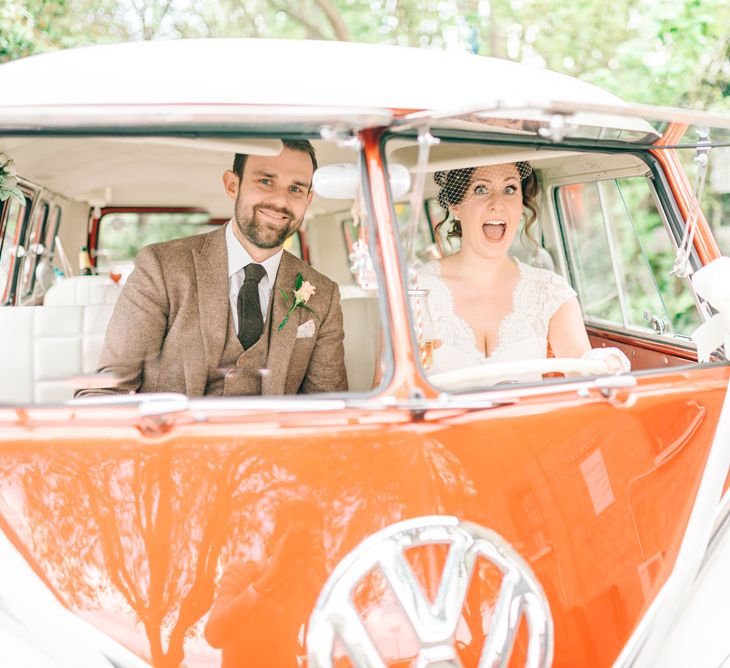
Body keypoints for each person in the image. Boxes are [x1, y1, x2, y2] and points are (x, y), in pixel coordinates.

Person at [77, 140, 347, 397]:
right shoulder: (161, 268)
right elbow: (106, 392)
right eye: (266, 181)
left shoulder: (323, 294)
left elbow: (332, 406)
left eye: (296, 189)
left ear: (308, 200)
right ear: (232, 185)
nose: (280, 201)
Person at [413, 160, 629, 382]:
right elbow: (386, 387)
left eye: (509, 189)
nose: (497, 203)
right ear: (455, 206)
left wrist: (606, 362)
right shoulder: (416, 289)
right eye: (481, 189)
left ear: (520, 205)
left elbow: (584, 367)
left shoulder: (549, 290)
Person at [204, 499, 326, 667]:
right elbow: (214, 634)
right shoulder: (242, 573)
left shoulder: (309, 587)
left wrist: (323, 582)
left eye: (309, 541)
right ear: (272, 543)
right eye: (294, 538)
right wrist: (265, 581)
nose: (300, 548)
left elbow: (333, 645)